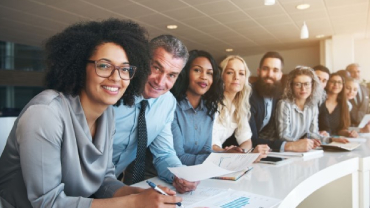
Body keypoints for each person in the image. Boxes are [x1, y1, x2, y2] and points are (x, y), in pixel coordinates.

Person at [0, 19, 182, 208]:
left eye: (125, 69)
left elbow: (103, 180)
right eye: (104, 66)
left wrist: (137, 193)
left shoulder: (107, 115)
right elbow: (47, 203)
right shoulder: (45, 113)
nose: (116, 77)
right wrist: (133, 203)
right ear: (80, 66)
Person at [113, 34, 199, 193]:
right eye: (157, 68)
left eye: (171, 75)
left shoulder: (167, 102)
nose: (160, 82)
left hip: (111, 185)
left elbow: (164, 154)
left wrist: (180, 175)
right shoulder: (113, 91)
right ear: (143, 61)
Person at [170, 50, 223, 165]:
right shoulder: (172, 106)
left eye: (209, 73)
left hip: (193, 174)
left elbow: (206, 151)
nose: (204, 77)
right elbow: (178, 157)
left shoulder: (209, 110)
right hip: (163, 176)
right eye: (197, 70)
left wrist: (226, 155)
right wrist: (219, 160)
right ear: (185, 73)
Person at [212, 55, 269, 159]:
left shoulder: (239, 106)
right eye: (230, 72)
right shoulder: (211, 104)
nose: (236, 77)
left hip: (222, 159)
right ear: (221, 76)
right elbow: (210, 145)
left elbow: (246, 140)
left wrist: (240, 151)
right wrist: (230, 153)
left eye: (241, 73)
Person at [275, 66, 323, 150]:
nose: (303, 88)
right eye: (298, 84)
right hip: (280, 150)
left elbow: (313, 133)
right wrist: (301, 144)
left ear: (313, 85)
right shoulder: (284, 104)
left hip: (300, 150)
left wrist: (330, 139)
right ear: (291, 86)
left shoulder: (313, 105)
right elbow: (283, 136)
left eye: (307, 84)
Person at [325, 73, 357, 138]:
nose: (336, 84)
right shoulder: (319, 103)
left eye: (339, 82)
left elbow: (340, 130)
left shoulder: (344, 105)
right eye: (333, 81)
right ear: (326, 84)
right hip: (318, 142)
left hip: (336, 141)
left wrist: (348, 133)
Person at [313, 65, 331, 135]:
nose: (320, 84)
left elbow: (326, 127)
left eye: (324, 81)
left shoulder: (321, 100)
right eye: (317, 79)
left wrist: (325, 132)